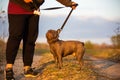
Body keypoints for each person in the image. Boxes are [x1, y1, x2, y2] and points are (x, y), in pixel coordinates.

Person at [5, 0, 78, 80]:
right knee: (15, 37)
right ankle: (9, 69)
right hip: (17, 9)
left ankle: (27, 68)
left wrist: (69, 3)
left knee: (30, 39)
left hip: (34, 11)